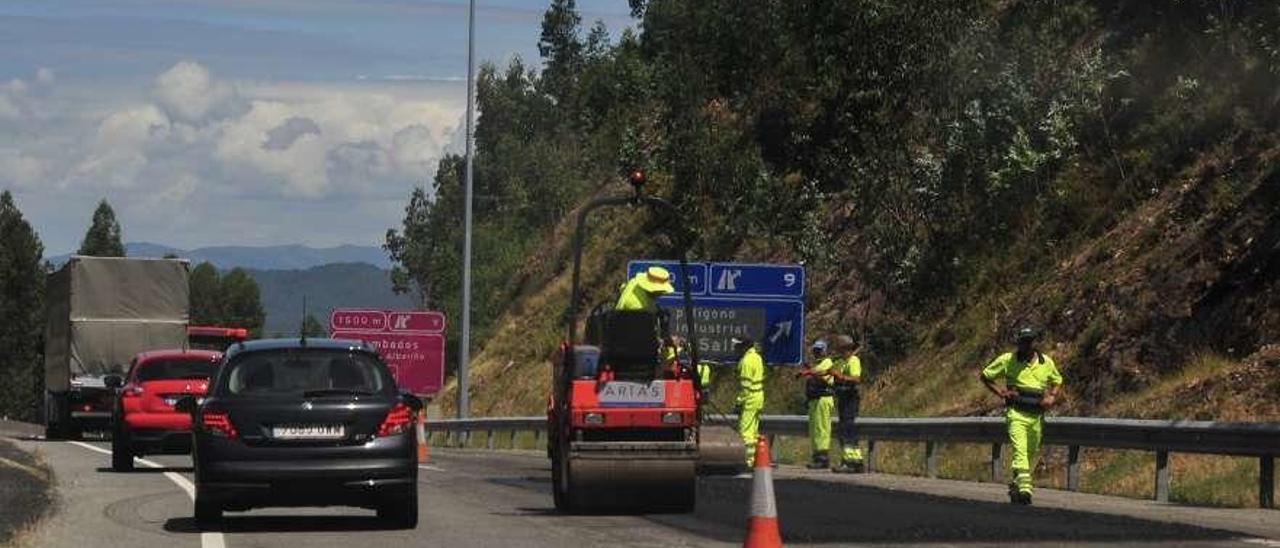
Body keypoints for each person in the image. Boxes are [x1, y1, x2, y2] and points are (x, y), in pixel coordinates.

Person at [980, 327, 1063, 505]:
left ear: (1035, 342)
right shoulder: (1007, 360)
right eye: (1023, 341)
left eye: (1030, 341)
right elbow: (986, 376)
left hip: (1036, 417)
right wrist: (1001, 392)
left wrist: (1051, 397)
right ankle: (1025, 489)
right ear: (1018, 343)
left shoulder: (1046, 362)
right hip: (1016, 414)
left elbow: (1057, 381)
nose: (1026, 345)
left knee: (1030, 452)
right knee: (1020, 451)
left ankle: (1017, 484)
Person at [797, 339, 835, 469]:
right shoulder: (817, 364)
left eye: (819, 350)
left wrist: (808, 371)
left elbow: (819, 373)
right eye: (815, 350)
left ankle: (823, 458)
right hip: (814, 400)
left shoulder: (827, 362)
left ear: (825, 351)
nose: (817, 353)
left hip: (823, 399)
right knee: (814, 430)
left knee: (822, 429)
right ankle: (816, 456)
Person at [830, 335, 865, 473]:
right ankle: (856, 461)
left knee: (847, 430)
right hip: (842, 399)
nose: (840, 352)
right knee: (845, 430)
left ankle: (849, 462)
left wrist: (841, 376)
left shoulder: (853, 361)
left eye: (841, 349)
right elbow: (830, 371)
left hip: (851, 399)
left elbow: (856, 379)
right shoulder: (840, 362)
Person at [733, 336, 765, 467]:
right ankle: (756, 459)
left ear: (744, 346)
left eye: (738, 345)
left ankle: (747, 461)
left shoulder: (746, 361)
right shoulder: (757, 357)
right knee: (753, 431)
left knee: (745, 431)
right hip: (759, 395)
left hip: (750, 398)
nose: (735, 348)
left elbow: (745, 387)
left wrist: (739, 403)